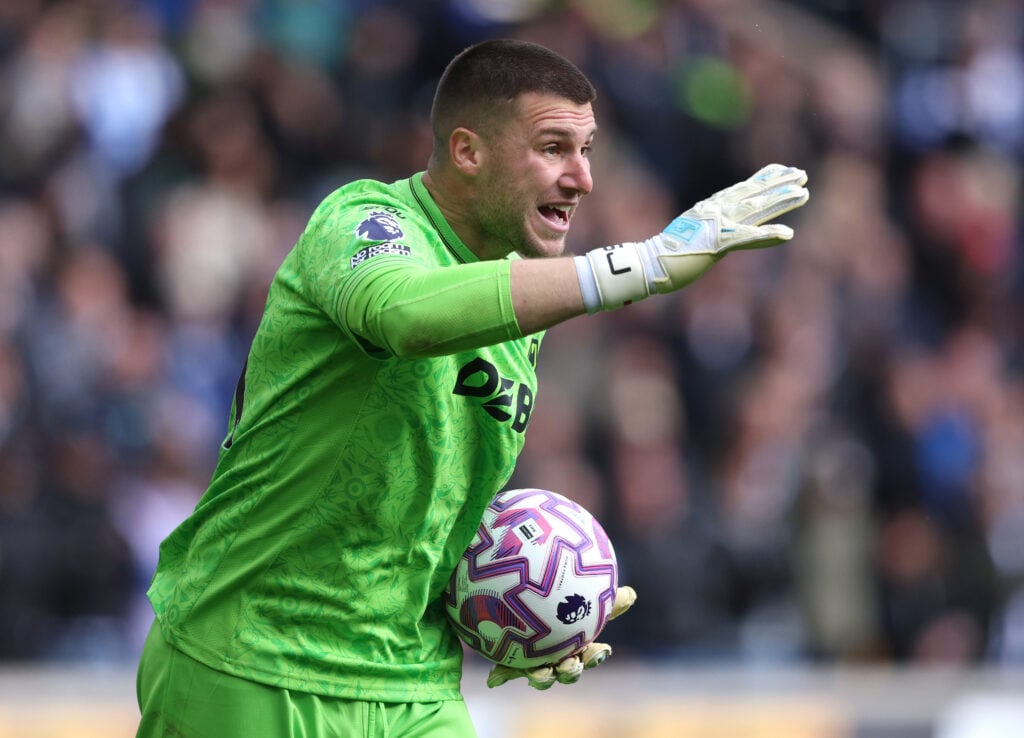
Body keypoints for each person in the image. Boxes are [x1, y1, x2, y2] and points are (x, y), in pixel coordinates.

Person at [135, 38, 809, 738]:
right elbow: (404, 314)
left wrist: (529, 610)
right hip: (251, 660)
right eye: (553, 147)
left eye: (588, 149)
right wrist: (638, 266)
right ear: (467, 151)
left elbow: (422, 506)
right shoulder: (361, 222)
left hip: (411, 680)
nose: (582, 178)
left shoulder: (522, 315)